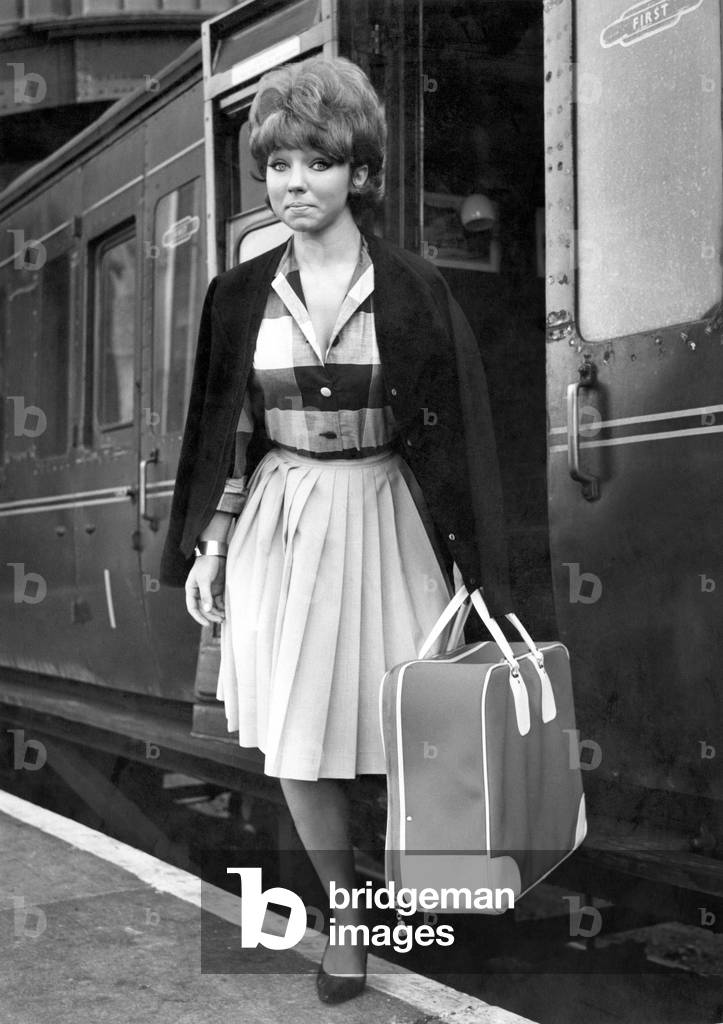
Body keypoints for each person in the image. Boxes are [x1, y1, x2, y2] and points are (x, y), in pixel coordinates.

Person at [160, 55, 512, 1004]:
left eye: (315, 163)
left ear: (358, 172)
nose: (292, 185)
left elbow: (457, 439)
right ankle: (347, 923)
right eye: (276, 166)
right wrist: (214, 544)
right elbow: (224, 433)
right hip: (283, 522)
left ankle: (409, 894)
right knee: (302, 740)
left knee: (412, 723)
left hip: (388, 510)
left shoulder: (413, 287)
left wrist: (471, 564)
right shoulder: (237, 294)